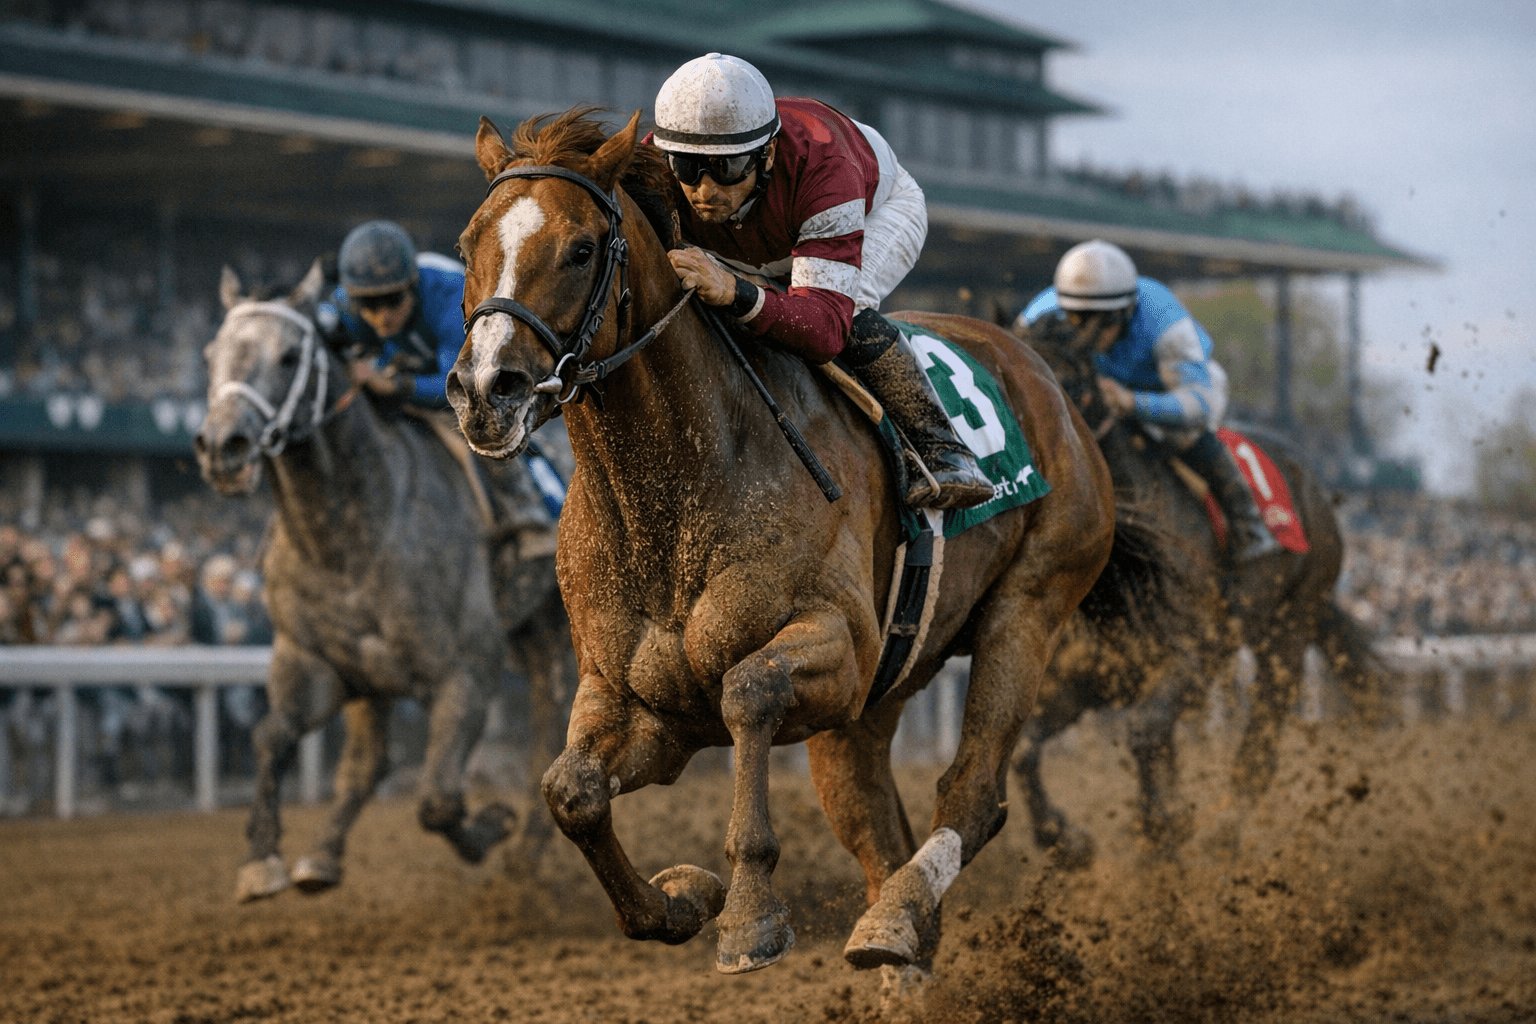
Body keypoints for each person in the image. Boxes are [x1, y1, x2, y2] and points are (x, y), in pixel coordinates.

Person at [650, 53, 992, 510]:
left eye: (728, 169)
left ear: (766, 152)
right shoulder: (654, 161)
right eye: (689, 169)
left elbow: (826, 328)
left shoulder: (825, 170)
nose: (705, 191)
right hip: (755, 241)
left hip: (878, 210)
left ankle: (941, 448)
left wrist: (739, 292)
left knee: (851, 317)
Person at [1018, 239, 1281, 562]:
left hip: (1169, 389)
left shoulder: (1161, 317)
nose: (1089, 335)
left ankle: (1248, 523)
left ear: (1127, 312)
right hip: (1101, 389)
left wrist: (1132, 402)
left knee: (1182, 433)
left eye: (1102, 324)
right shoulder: (1039, 315)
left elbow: (1201, 404)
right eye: (1078, 321)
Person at [324, 220, 468, 409]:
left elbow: (460, 388)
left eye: (393, 300)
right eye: (370, 304)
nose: (383, 317)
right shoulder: (342, 305)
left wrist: (396, 386)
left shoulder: (454, 302)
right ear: (354, 300)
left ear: (413, 286)